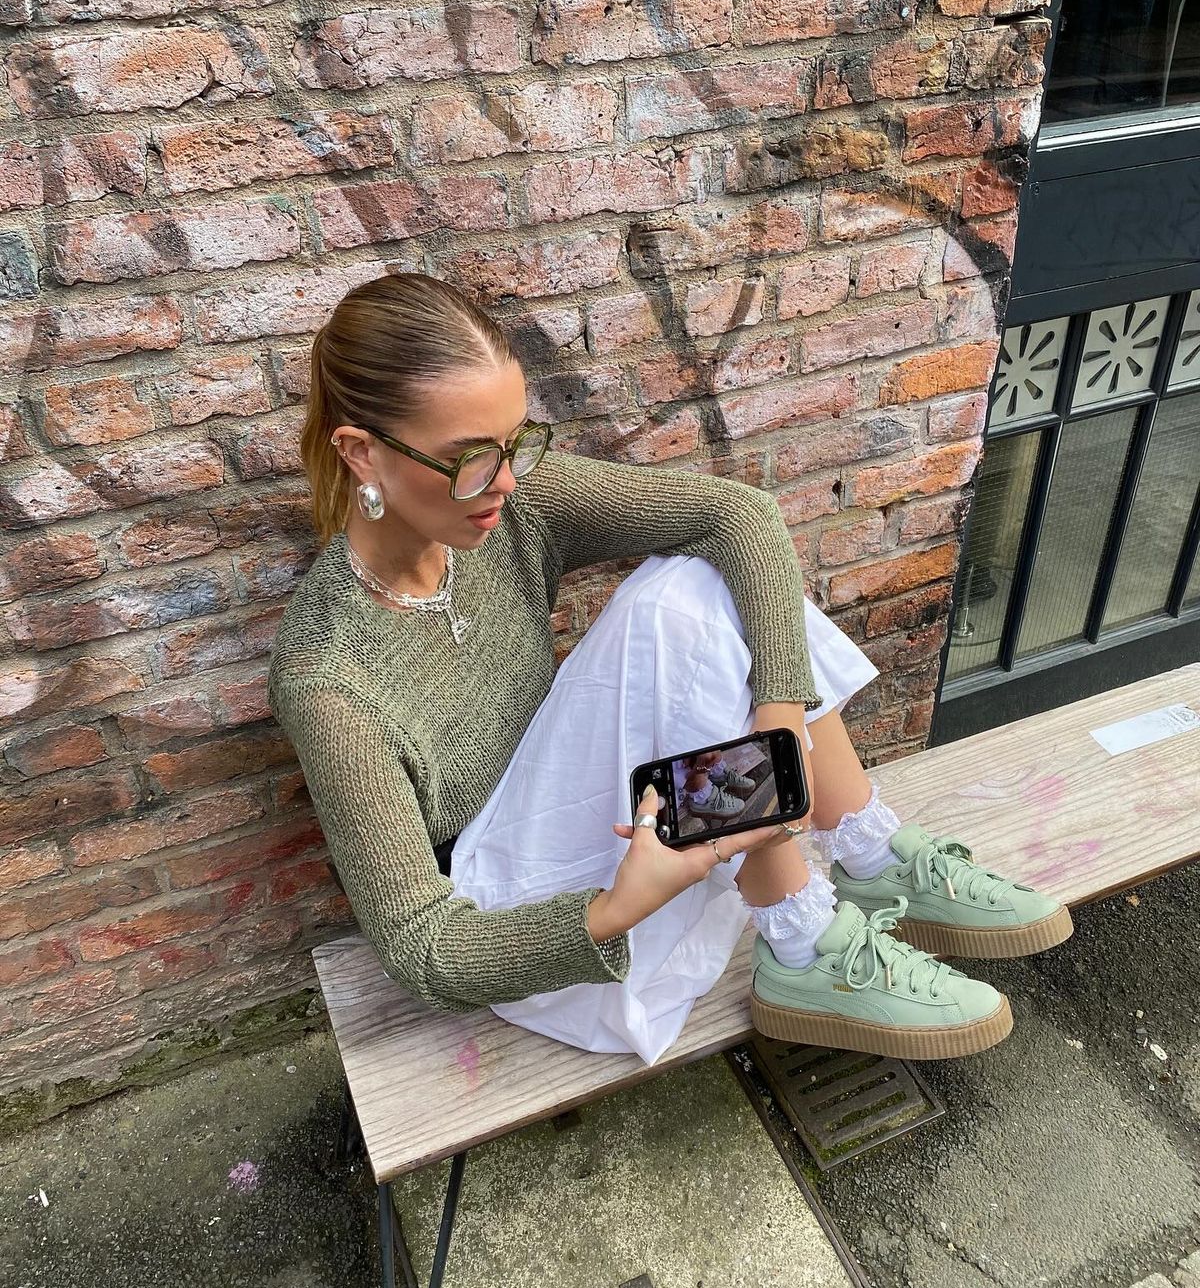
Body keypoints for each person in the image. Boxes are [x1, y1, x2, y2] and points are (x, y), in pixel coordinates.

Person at [267, 272, 1074, 1067]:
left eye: (514, 444)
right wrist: (623, 904)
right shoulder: (328, 675)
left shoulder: (506, 505)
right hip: (520, 910)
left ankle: (865, 848)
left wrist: (779, 730)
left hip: (593, 812)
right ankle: (802, 944)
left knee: (712, 575)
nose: (505, 482)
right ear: (362, 454)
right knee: (676, 603)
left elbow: (738, 515)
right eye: (471, 458)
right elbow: (424, 947)